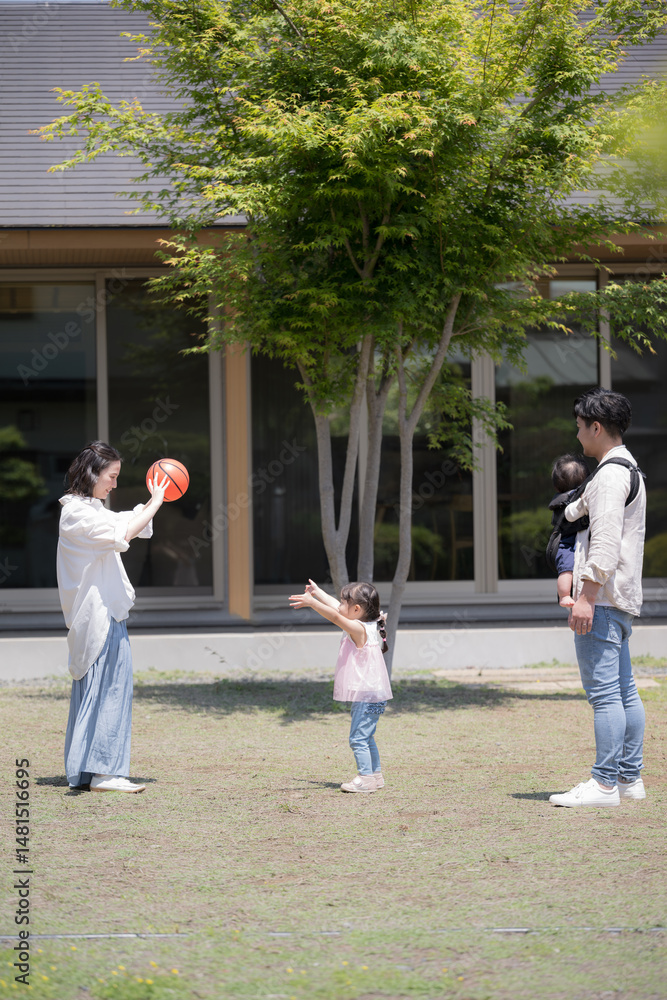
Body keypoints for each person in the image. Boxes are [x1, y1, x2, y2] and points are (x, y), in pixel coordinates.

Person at [550, 388, 647, 808]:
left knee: (606, 695)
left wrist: (585, 595)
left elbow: (604, 544)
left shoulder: (609, 476)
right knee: (625, 692)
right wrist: (567, 510)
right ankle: (629, 780)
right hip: (619, 599)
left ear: (596, 426)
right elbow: (579, 512)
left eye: (579, 426)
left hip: (602, 599)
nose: (577, 435)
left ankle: (604, 784)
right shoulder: (627, 469)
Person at [57, 441, 167, 793]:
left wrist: (154, 500)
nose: (115, 484)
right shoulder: (75, 514)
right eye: (112, 476)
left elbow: (128, 521)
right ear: (92, 474)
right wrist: (158, 502)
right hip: (97, 616)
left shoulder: (89, 509)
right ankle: (104, 773)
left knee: (104, 691)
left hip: (106, 614)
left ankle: (91, 771)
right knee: (109, 691)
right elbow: (124, 532)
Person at [289, 579, 392, 793]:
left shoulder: (357, 628)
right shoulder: (370, 623)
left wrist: (312, 603)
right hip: (375, 693)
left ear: (356, 609)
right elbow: (337, 607)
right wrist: (317, 593)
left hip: (366, 695)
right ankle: (375, 776)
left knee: (357, 738)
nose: (340, 605)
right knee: (366, 737)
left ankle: (365, 778)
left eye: (345, 602)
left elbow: (335, 615)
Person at [549, 454, 590, 608]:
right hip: (567, 544)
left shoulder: (561, 498)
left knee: (567, 571)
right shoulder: (571, 500)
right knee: (566, 570)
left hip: (576, 542)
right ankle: (564, 595)